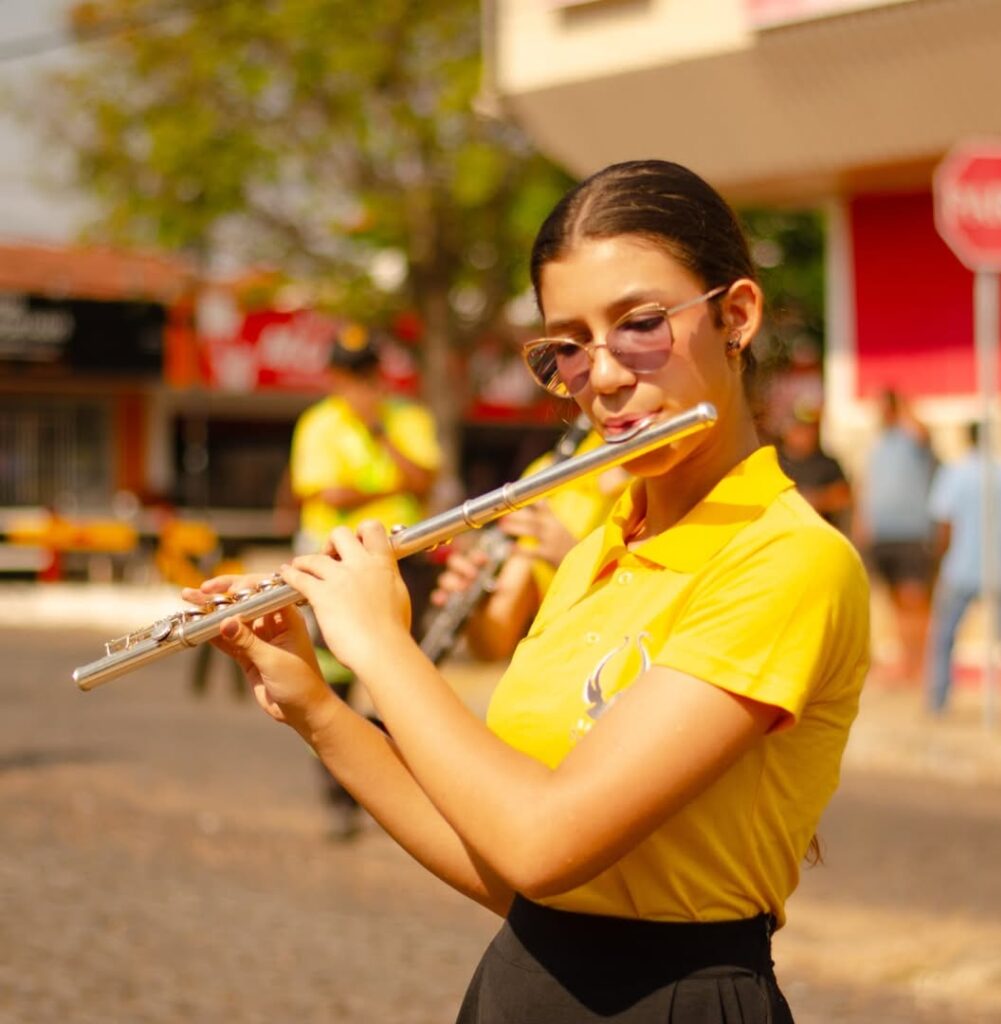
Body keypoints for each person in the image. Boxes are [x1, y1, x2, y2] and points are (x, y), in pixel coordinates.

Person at [188, 159, 870, 1022]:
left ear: (735, 316)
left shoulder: (788, 560)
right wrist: (318, 706)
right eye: (570, 346)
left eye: (642, 325)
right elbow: (507, 864)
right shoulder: (594, 552)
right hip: (524, 986)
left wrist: (383, 645)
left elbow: (543, 842)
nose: (606, 376)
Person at [288, 325, 441, 837]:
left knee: (403, 679)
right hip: (334, 567)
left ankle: (401, 790)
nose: (359, 385)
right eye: (349, 374)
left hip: (403, 564)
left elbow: (422, 480)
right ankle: (341, 793)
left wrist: (378, 436)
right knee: (333, 683)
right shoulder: (317, 424)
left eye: (367, 373)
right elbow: (323, 494)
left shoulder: (409, 418)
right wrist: (386, 483)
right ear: (333, 376)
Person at [434, 418, 630, 663]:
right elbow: (493, 644)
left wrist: (576, 559)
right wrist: (474, 605)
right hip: (559, 674)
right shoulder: (548, 471)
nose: (605, 380)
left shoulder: (677, 472)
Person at [927, 421, 1001, 720]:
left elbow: (944, 522)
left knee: (944, 637)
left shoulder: (955, 474)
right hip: (999, 569)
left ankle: (937, 700)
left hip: (960, 568)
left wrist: (937, 559)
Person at [856, 388, 938, 687]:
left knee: (915, 602)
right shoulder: (879, 444)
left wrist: (902, 405)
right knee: (895, 605)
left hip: (912, 533)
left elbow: (923, 431)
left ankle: (924, 666)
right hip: (883, 536)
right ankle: (908, 664)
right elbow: (867, 487)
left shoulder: (913, 439)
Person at [775, 400, 853, 535]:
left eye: (810, 429)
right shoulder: (777, 463)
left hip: (822, 535)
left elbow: (844, 495)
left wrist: (817, 500)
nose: (805, 434)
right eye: (800, 428)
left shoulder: (828, 463)